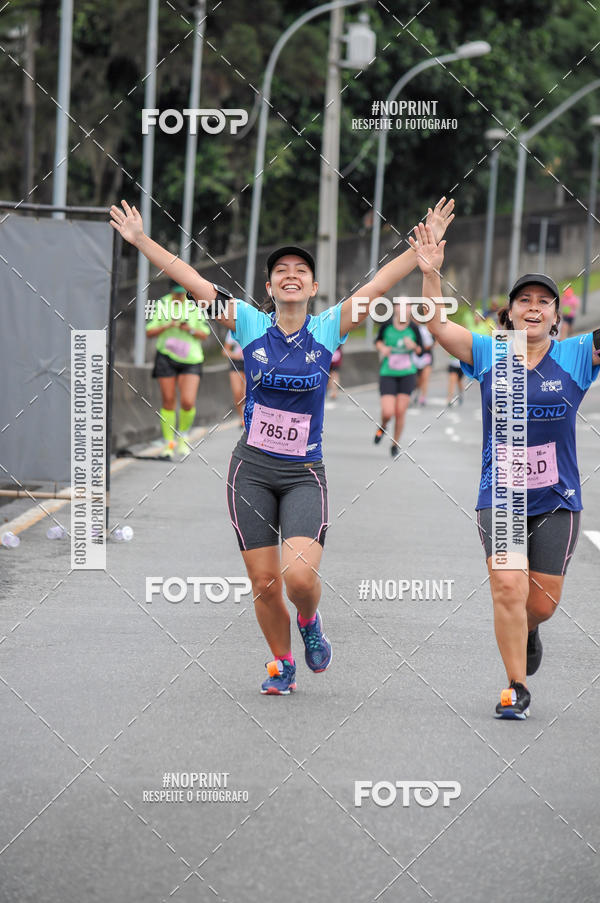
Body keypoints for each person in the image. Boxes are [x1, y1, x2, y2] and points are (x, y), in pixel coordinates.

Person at [110, 197, 455, 695]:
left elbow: (379, 284)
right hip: (250, 469)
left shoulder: (328, 327)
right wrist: (141, 241)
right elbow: (190, 278)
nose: (290, 275)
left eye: (301, 270)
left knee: (297, 578)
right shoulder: (249, 324)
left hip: (302, 475)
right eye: (281, 271)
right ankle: (282, 661)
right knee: (265, 584)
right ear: (269, 287)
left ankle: (310, 621)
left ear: (314, 287)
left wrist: (419, 254)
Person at [410, 221, 600, 720]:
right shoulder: (490, 352)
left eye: (543, 301)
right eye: (524, 301)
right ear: (510, 313)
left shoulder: (578, 356)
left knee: (540, 604)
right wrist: (430, 274)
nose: (533, 308)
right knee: (508, 588)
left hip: (558, 499)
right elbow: (436, 325)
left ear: (557, 316)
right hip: (503, 494)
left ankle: (530, 629)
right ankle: (516, 686)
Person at [145, 285, 211, 458]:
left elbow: (204, 334)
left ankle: (183, 436)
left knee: (188, 401)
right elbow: (149, 331)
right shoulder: (162, 304)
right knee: (168, 400)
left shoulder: (195, 305)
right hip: (166, 357)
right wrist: (167, 326)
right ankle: (169, 443)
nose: (179, 298)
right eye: (176, 294)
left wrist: (188, 328)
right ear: (171, 293)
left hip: (191, 359)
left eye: (183, 295)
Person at [373, 307, 421, 457]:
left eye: (407, 307)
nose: (404, 310)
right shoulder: (387, 325)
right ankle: (383, 426)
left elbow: (420, 350)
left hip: (407, 373)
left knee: (400, 411)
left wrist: (413, 346)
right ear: (395, 309)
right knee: (388, 412)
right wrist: (383, 348)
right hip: (388, 372)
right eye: (401, 307)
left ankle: (395, 443)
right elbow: (378, 341)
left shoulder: (413, 328)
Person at [223, 329, 246, 424]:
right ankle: (242, 418)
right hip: (236, 363)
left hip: (250, 361)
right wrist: (234, 355)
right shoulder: (233, 330)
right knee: (237, 393)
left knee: (246, 393)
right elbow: (225, 350)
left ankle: (248, 416)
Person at [411, 321, 434, 406]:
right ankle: (415, 393)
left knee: (425, 378)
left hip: (426, 356)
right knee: (416, 380)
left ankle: (423, 397)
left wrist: (421, 348)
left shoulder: (425, 329)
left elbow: (431, 343)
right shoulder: (410, 329)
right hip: (414, 357)